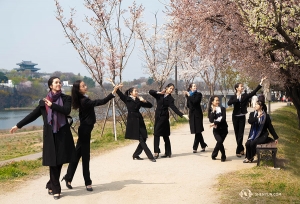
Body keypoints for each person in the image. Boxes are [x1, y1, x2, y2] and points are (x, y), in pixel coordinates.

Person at [10, 76, 76, 200]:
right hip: (50, 135)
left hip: (63, 134)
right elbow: (33, 115)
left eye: (60, 82)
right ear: (50, 85)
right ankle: (56, 189)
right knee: (53, 162)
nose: (59, 84)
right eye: (56, 82)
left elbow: (66, 111)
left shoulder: (66, 98)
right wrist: (18, 125)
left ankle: (51, 184)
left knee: (60, 161)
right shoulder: (43, 102)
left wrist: (53, 106)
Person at [62, 80, 120, 191]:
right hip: (84, 131)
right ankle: (87, 182)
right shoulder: (84, 101)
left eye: (85, 85)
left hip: (85, 129)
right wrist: (113, 92)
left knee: (76, 155)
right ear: (78, 89)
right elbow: (101, 102)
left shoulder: (83, 98)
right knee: (85, 156)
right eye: (83, 86)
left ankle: (68, 177)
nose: (86, 86)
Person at [228, 76, 267, 157]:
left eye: (242, 86)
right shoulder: (233, 97)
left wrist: (261, 82)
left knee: (240, 134)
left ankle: (238, 151)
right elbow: (229, 103)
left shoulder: (245, 96)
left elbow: (253, 92)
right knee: (236, 133)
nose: (242, 87)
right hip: (235, 117)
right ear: (236, 88)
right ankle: (241, 148)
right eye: (241, 86)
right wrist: (237, 98)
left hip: (242, 117)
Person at [116, 85, 156, 162]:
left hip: (140, 119)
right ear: (131, 93)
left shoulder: (139, 100)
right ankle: (150, 156)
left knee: (144, 137)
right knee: (141, 139)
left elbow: (150, 106)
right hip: (132, 120)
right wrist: (115, 85)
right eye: (135, 91)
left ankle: (136, 154)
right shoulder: (127, 99)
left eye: (137, 91)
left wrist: (144, 101)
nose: (137, 92)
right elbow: (119, 92)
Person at [149, 83, 188, 158]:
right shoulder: (159, 95)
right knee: (164, 135)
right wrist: (159, 92)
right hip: (157, 117)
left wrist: (182, 114)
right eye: (170, 88)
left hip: (164, 118)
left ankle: (157, 152)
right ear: (166, 88)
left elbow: (174, 108)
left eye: (172, 89)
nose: (171, 90)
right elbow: (150, 91)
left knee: (158, 134)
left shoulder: (170, 99)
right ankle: (167, 152)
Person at [185, 83, 207, 153]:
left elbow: (195, 102)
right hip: (192, 114)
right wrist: (188, 97)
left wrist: (189, 96)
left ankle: (195, 147)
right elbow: (188, 105)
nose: (195, 87)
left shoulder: (198, 94)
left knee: (198, 130)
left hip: (198, 114)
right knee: (197, 131)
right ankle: (203, 145)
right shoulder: (188, 96)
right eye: (194, 86)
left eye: (195, 86)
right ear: (190, 88)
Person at [208, 96, 228, 162]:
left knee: (219, 142)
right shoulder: (210, 110)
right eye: (216, 100)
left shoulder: (222, 109)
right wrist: (213, 111)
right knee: (219, 141)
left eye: (218, 100)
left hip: (224, 129)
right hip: (216, 130)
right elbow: (211, 120)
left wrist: (215, 123)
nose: (218, 102)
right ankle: (223, 154)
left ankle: (214, 154)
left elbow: (223, 119)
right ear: (212, 102)